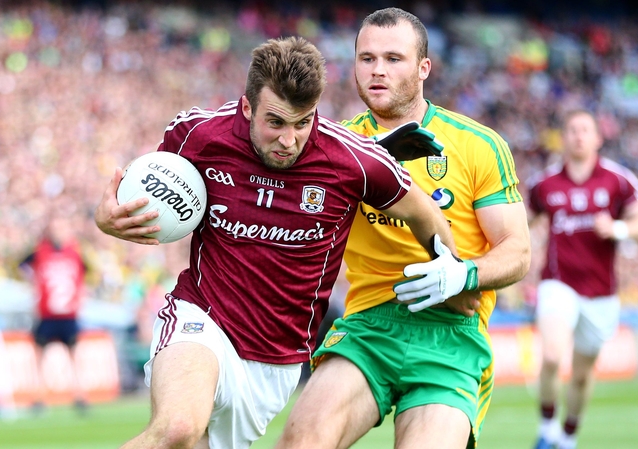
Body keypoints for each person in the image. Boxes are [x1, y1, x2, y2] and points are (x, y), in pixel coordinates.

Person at [94, 36, 469, 449]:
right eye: (275, 122)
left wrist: (453, 274)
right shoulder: (197, 135)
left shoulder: (356, 160)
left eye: (302, 122)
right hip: (202, 317)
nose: (289, 140)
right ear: (247, 107)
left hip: (277, 358)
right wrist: (107, 218)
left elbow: (424, 213)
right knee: (178, 428)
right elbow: (141, 191)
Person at [275, 8, 531, 449]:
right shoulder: (331, 144)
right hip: (368, 327)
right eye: (366, 58)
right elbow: (286, 218)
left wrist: (462, 274)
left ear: (423, 68)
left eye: (394, 59)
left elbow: (518, 252)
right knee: (300, 442)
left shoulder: (478, 144)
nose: (378, 71)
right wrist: (367, 158)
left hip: (450, 332)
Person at [527, 110, 638, 449]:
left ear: (598, 138)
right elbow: (520, 221)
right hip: (558, 283)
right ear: (564, 137)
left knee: (583, 374)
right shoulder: (545, 184)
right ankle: (546, 430)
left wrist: (618, 228)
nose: (578, 136)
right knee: (554, 355)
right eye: (572, 130)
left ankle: (568, 437)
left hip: (601, 293)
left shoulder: (617, 179)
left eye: (585, 130)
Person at [18, 215, 89, 414]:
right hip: (46, 313)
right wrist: (33, 283)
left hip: (68, 314)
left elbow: (86, 274)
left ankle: (79, 395)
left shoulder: (75, 252)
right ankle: (39, 395)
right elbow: (21, 266)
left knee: (74, 355)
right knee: (40, 356)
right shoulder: (40, 252)